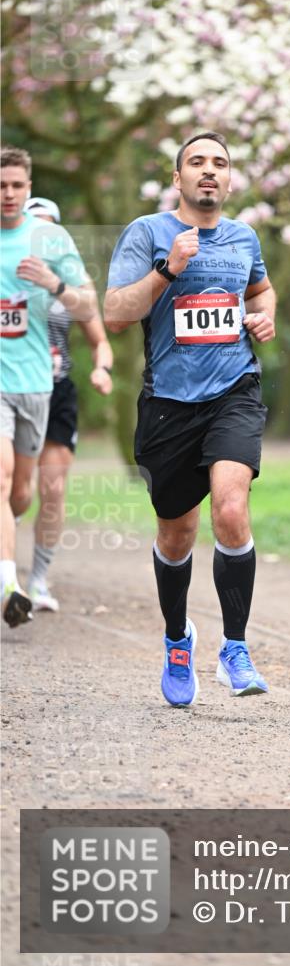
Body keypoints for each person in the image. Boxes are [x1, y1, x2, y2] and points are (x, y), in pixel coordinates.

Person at [104, 132, 276, 707]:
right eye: (197, 163)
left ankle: (235, 648)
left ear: (230, 181)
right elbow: (116, 315)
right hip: (168, 405)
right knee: (176, 535)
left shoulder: (244, 237)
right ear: (177, 179)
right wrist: (168, 271)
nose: (209, 172)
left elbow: (262, 290)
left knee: (231, 505)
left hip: (235, 390)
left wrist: (263, 318)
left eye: (220, 164)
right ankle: (178, 639)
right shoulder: (148, 233)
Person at [1, 146, 97, 627]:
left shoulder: (52, 245)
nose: (9, 195)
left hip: (43, 387)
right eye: (2, 186)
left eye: (17, 186)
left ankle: (27, 568)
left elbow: (89, 312)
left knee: (29, 493)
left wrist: (55, 285)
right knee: (1, 481)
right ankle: (8, 585)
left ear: (30, 189)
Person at [24, 196, 114, 612]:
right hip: (14, 390)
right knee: (18, 494)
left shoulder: (71, 290)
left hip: (58, 392)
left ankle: (39, 581)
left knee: (53, 488)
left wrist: (102, 369)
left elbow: (100, 341)